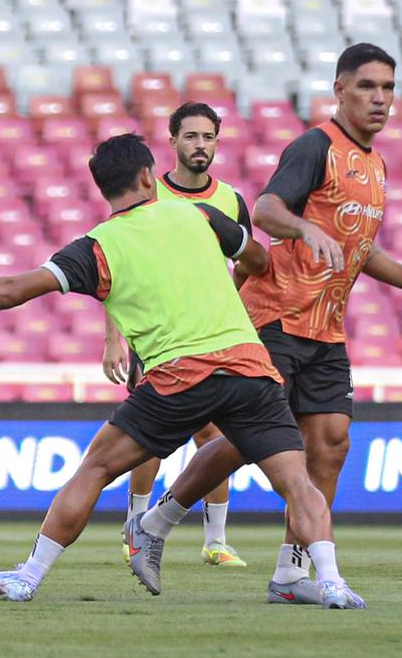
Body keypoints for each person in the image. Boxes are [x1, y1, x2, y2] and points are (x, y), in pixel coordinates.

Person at [0, 134, 365, 608]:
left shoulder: (97, 247)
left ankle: (28, 578)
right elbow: (257, 258)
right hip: (249, 370)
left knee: (96, 468)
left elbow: (14, 287)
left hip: (178, 379)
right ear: (150, 177)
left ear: (104, 188)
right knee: (298, 482)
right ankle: (333, 583)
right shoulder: (199, 214)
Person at [238, 43, 402, 604]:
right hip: (276, 315)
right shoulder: (314, 146)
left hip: (326, 329)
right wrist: (302, 229)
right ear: (339, 89)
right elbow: (265, 212)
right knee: (246, 440)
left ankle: (292, 576)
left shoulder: (375, 165)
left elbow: (360, 249)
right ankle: (162, 518)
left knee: (331, 445)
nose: (380, 98)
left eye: (389, 88)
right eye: (368, 86)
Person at [102, 102, 251, 568]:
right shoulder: (150, 195)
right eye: (191, 137)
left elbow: (248, 262)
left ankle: (216, 539)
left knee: (218, 434)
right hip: (158, 335)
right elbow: (114, 263)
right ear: (172, 142)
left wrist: (225, 302)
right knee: (149, 438)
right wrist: (113, 336)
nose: (200, 145)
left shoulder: (231, 199)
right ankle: (137, 527)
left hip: (212, 336)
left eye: (208, 137)